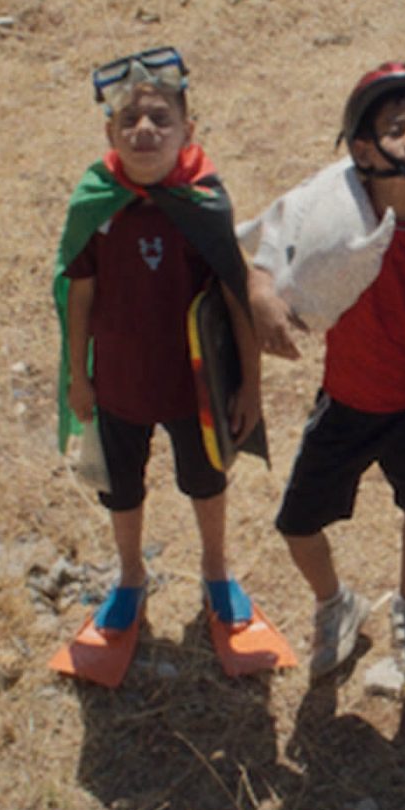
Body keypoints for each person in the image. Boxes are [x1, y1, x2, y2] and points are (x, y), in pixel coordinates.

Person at [243, 61, 405, 683]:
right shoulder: (328, 220)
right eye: (396, 128)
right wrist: (260, 295)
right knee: (297, 524)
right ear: (363, 148)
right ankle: (336, 603)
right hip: (347, 404)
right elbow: (262, 248)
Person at [53, 45, 265, 642]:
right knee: (120, 487)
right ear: (110, 132)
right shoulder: (97, 204)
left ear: (187, 131)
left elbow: (235, 299)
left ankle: (215, 570)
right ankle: (130, 576)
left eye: (161, 119)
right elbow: (80, 295)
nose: (144, 130)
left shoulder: (204, 201)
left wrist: (249, 384)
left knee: (206, 480)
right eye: (129, 120)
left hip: (192, 387)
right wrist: (78, 376)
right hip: (119, 384)